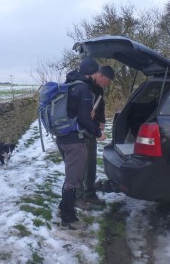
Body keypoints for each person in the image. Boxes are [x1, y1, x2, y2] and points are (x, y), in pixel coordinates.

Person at [56, 56, 106, 229]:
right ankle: (68, 219)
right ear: (92, 73)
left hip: (62, 137)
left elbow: (75, 112)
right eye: (97, 72)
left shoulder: (70, 84)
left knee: (71, 177)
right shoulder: (83, 88)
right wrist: (98, 132)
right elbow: (84, 118)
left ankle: (63, 208)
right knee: (73, 180)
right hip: (74, 140)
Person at [75, 65, 115, 210]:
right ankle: (77, 198)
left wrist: (102, 121)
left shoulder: (98, 89)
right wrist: (98, 130)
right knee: (81, 165)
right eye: (108, 81)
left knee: (91, 164)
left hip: (91, 131)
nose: (107, 84)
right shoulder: (85, 87)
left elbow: (100, 105)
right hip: (80, 132)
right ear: (101, 76)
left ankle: (90, 194)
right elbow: (84, 115)